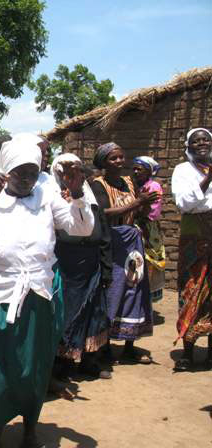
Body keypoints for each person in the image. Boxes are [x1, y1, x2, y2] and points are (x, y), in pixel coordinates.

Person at [0, 139, 94, 448]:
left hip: (40, 292)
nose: (27, 179)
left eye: (33, 173)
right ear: (5, 171)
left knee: (35, 365)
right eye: (20, 173)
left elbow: (83, 227)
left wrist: (78, 194)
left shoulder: (46, 195)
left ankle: (30, 431)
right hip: (2, 293)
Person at [89, 143, 157, 364]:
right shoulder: (97, 184)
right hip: (112, 242)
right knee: (112, 291)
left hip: (132, 241)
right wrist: (137, 202)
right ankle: (105, 346)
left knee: (134, 288)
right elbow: (103, 213)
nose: (119, 161)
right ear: (103, 163)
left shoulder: (129, 182)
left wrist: (145, 204)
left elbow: (139, 210)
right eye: (113, 158)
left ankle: (130, 344)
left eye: (120, 157)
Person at [51, 154, 112, 380]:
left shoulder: (89, 197)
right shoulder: (51, 198)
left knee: (94, 314)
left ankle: (89, 361)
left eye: (72, 170)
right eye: (62, 170)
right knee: (66, 315)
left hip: (91, 263)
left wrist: (106, 268)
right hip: (66, 264)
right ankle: (63, 364)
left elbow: (103, 234)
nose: (67, 175)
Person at [171, 127, 212, 370]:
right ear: (189, 146)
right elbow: (184, 202)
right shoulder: (182, 170)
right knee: (191, 289)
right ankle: (187, 353)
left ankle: (209, 354)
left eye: (206, 139)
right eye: (196, 141)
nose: (202, 144)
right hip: (194, 232)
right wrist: (208, 178)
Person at [133, 156, 166, 303]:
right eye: (134, 168)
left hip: (148, 229)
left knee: (149, 262)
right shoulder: (136, 186)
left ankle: (145, 302)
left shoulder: (153, 187)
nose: (135, 171)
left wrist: (135, 207)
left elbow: (148, 212)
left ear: (148, 172)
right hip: (137, 226)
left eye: (139, 169)